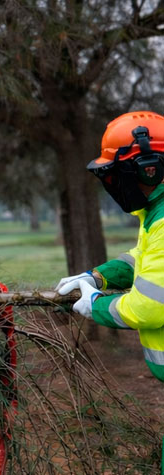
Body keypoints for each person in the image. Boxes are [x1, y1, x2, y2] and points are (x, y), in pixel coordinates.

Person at [55, 111, 164, 380]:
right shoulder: (155, 212)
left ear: (150, 169)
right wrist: (97, 277)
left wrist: (96, 305)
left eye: (118, 175)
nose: (115, 185)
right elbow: (144, 259)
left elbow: (147, 308)